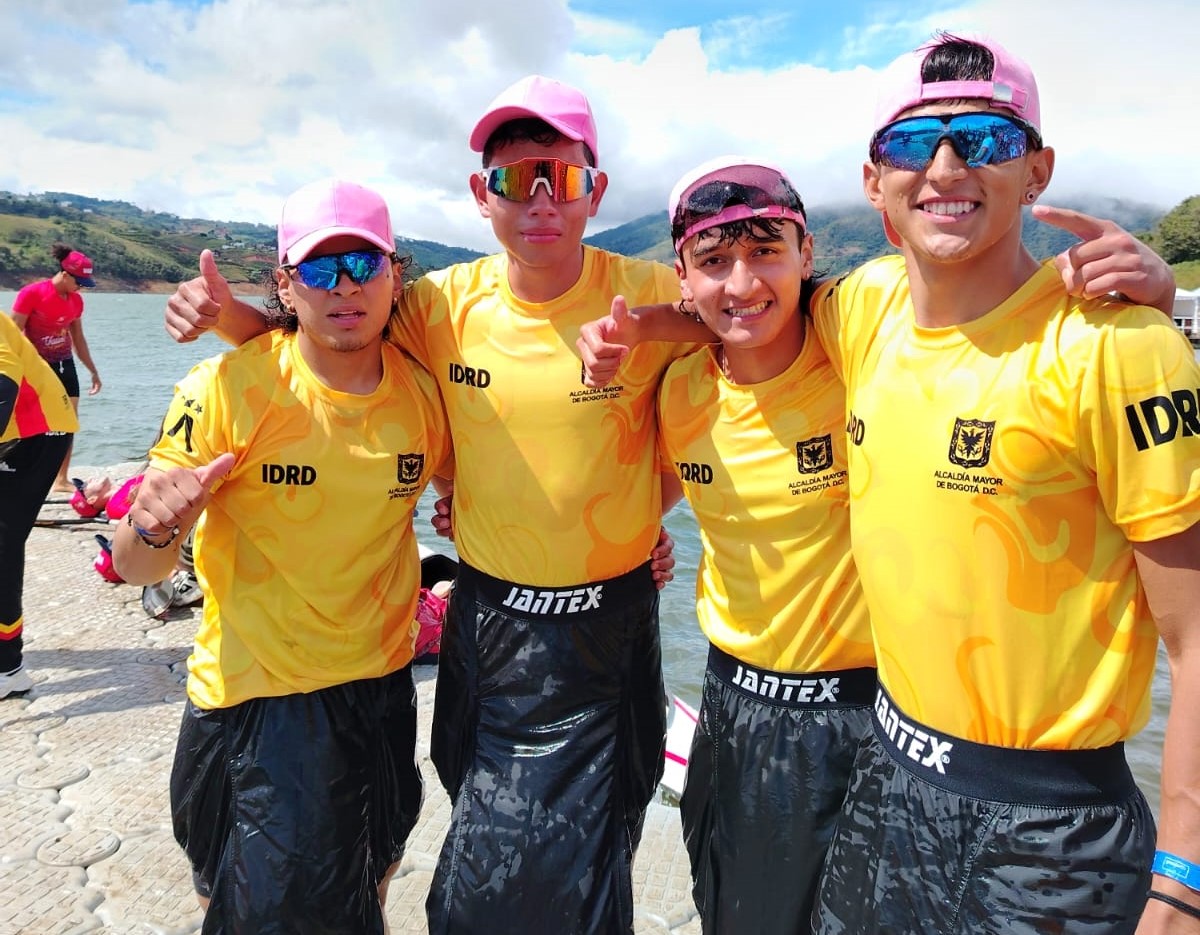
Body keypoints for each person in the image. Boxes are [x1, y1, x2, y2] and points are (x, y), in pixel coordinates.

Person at [161, 76, 683, 935]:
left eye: (561, 175)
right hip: (492, 615)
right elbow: (333, 339)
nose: (541, 200)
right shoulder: (441, 306)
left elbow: (744, 340)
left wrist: (646, 516)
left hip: (616, 621)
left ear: (597, 187)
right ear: (483, 195)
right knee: (483, 861)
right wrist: (234, 320)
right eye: (517, 180)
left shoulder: (650, 292)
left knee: (601, 844)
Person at [800, 34, 1200, 934]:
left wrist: (1182, 883)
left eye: (981, 137)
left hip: (1052, 829)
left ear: (1035, 169)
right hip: (884, 784)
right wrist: (630, 334)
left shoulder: (1120, 348)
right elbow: (742, 304)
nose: (945, 165)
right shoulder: (864, 309)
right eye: (913, 143)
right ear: (875, 183)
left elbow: (1197, 634)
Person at [113, 178, 451, 933]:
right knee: (244, 907)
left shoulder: (424, 397)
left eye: (361, 265)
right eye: (319, 271)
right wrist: (160, 524)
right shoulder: (229, 387)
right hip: (254, 704)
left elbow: (478, 485)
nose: (345, 288)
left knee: (372, 881)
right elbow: (138, 566)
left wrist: (637, 540)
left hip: (381, 690)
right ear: (285, 285)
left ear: (396, 273)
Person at [658, 156, 874, 934]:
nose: (743, 282)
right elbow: (628, 494)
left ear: (808, 254)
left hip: (870, 709)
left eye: (765, 252)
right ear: (681, 275)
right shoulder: (678, 390)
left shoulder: (863, 355)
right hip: (735, 705)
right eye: (714, 261)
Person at [0, 313, 78, 698]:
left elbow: (2, 386)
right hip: (9, 434)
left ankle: (7, 668)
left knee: (2, 542)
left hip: (39, 430)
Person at [10, 243, 102, 494]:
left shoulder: (76, 301)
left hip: (64, 363)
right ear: (65, 273)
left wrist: (92, 370)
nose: (81, 287)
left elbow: (79, 339)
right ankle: (22, 474)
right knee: (34, 422)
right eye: (79, 281)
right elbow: (11, 334)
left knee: (69, 422)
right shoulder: (32, 293)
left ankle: (61, 479)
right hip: (37, 365)